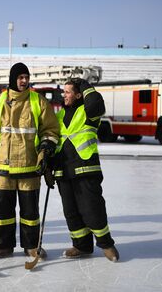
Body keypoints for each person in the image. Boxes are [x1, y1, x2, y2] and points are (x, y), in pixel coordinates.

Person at [0, 62, 60, 259]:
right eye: (20, 77)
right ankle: (3, 246)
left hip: (29, 168)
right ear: (13, 79)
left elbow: (50, 130)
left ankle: (32, 246)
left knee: (30, 213)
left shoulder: (37, 101)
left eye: (26, 77)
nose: (24, 81)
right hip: (3, 167)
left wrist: (46, 150)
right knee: (3, 213)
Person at [49, 78, 119, 262]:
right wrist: (49, 166)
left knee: (92, 208)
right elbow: (53, 141)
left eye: (68, 92)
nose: (64, 95)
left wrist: (87, 86)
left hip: (85, 167)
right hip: (63, 171)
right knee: (71, 212)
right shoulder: (58, 116)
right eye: (64, 92)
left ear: (78, 95)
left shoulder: (88, 112)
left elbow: (96, 103)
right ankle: (81, 245)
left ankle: (106, 244)